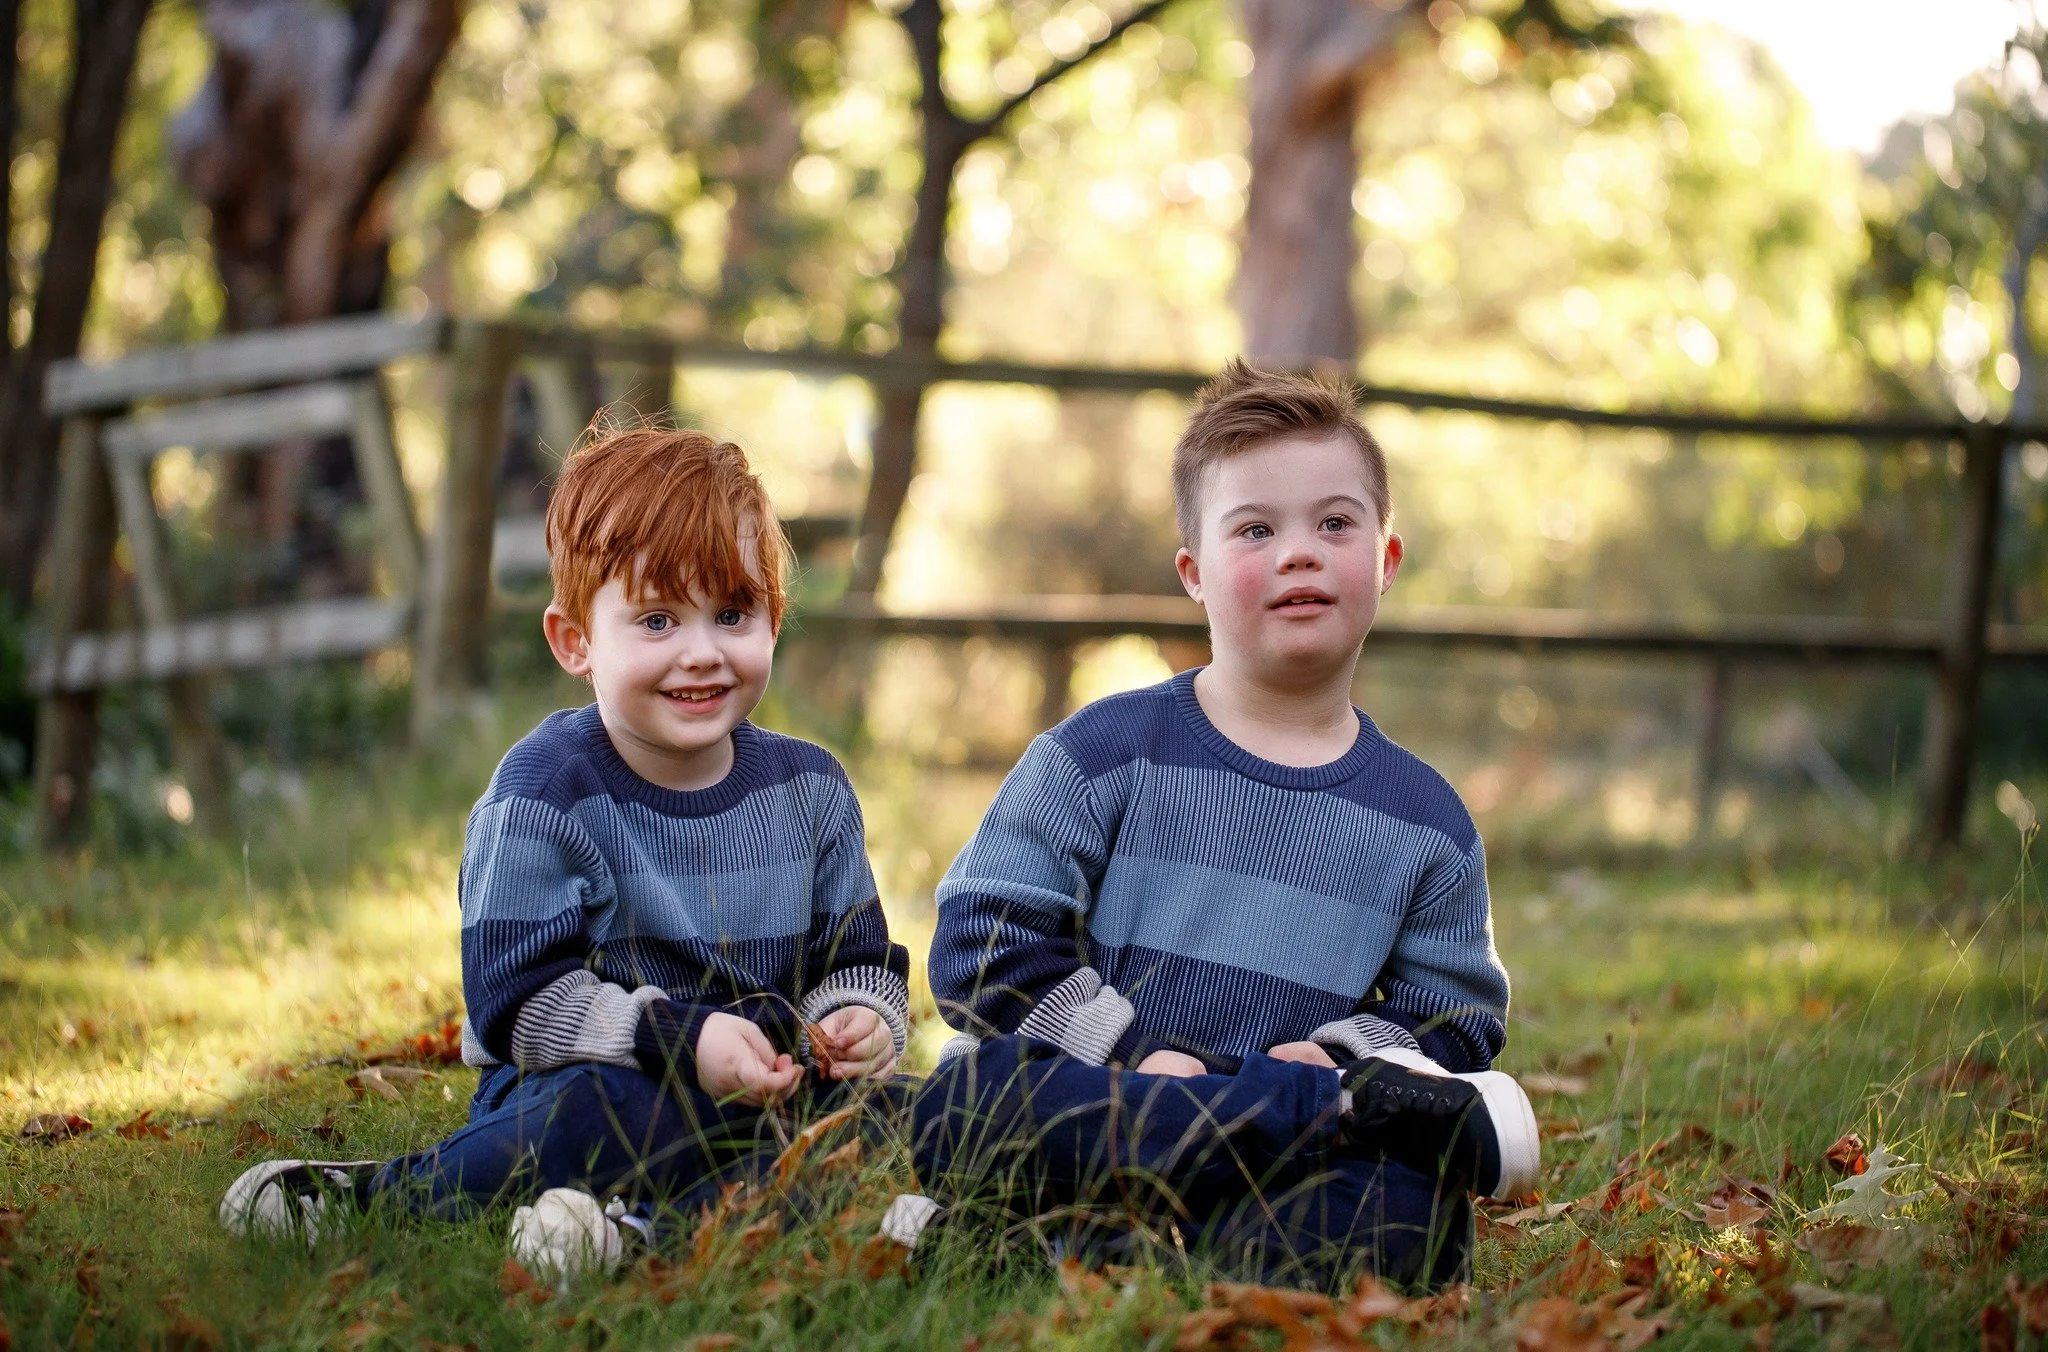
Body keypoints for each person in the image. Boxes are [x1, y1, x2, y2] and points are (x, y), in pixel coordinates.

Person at [894, 360, 1539, 1290]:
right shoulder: (1104, 751)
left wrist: (1335, 1056)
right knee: (964, 1101)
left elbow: (1452, 1018)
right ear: (1194, 574)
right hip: (1110, 1114)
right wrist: (1138, 1057)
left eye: (1334, 522)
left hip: (1288, 1168)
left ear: (1385, 560)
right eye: (1256, 529)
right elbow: (983, 941)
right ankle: (1159, 1219)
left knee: (1403, 1214)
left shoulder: (1426, 821)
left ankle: (1062, 1254)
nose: (1299, 552)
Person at [220, 428, 910, 1276]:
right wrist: (683, 1039)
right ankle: (377, 1195)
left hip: (772, 1098)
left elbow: (861, 959)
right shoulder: (546, 792)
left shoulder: (811, 790)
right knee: (595, 1116)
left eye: (732, 613)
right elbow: (519, 1001)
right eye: (657, 618)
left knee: (908, 1119)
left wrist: (863, 1020)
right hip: (597, 1080)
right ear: (575, 639)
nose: (702, 650)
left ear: (774, 615)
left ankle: (633, 1239)